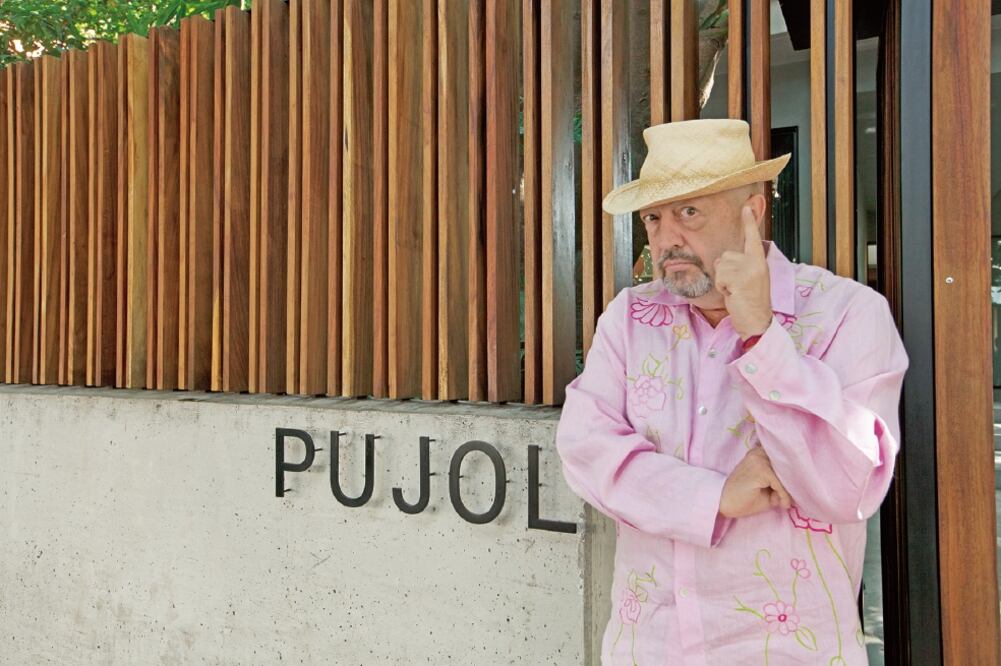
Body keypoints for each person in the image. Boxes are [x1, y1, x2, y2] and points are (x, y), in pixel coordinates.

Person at [555, 118, 908, 664]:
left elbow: (847, 487)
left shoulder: (847, 314)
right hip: (648, 646)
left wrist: (763, 337)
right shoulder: (630, 318)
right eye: (653, 217)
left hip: (789, 651)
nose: (666, 237)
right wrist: (714, 497)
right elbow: (584, 448)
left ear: (753, 211)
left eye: (688, 212)